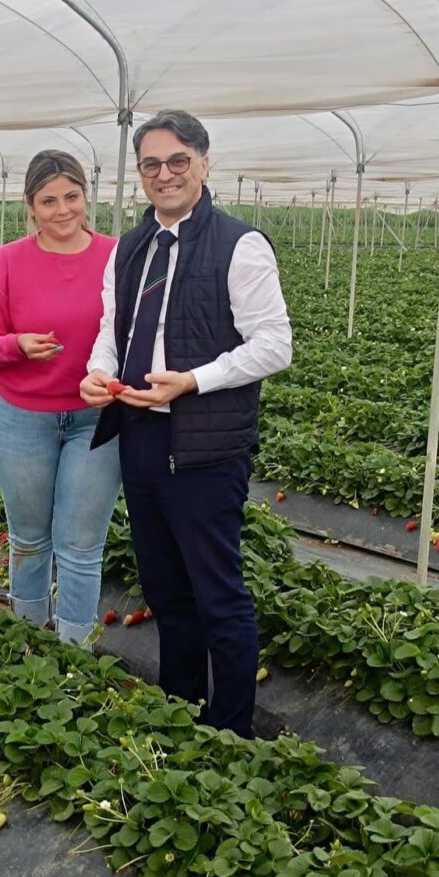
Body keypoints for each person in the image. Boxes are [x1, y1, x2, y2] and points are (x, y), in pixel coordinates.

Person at [80, 110, 292, 736]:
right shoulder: (130, 246)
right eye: (151, 164)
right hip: (140, 437)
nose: (164, 174)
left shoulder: (239, 243)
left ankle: (230, 733)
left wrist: (195, 380)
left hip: (203, 447)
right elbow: (110, 331)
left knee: (217, 595)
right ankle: (180, 716)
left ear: (203, 164)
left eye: (177, 161)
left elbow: (274, 343)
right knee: (167, 592)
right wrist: (99, 375)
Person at [0, 150, 119, 645]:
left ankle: (74, 653)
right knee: (30, 539)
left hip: (95, 420)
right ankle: (27, 637)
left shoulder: (118, 256)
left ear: (85, 196)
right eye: (48, 200)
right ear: (31, 206)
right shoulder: (6, 263)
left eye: (71, 196)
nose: (62, 210)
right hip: (23, 420)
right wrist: (17, 345)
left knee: (80, 543)